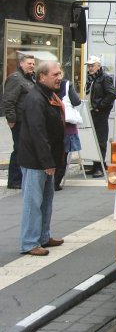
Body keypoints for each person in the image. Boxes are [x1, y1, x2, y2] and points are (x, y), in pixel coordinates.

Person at [18, 60, 65, 256]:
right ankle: (29, 242)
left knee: (46, 200)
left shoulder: (48, 95)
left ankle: (44, 236)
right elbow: (38, 133)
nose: (59, 77)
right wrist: (47, 162)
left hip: (46, 159)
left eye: (60, 73)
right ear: (42, 77)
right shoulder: (36, 98)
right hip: (36, 160)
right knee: (33, 202)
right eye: (55, 74)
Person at [3, 53, 36, 189]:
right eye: (29, 63)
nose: (32, 66)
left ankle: (21, 178)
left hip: (28, 120)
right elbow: (8, 101)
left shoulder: (29, 79)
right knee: (18, 149)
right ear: (21, 63)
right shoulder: (16, 78)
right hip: (19, 121)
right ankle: (14, 180)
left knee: (24, 149)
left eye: (33, 64)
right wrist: (11, 120)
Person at [84, 56, 116, 178]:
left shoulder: (105, 77)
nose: (90, 68)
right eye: (89, 66)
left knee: (100, 140)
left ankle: (100, 167)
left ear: (99, 65)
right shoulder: (91, 78)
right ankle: (96, 165)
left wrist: (100, 106)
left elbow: (112, 93)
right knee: (94, 139)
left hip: (99, 113)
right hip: (92, 111)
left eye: (92, 65)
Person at [55, 75, 82, 190]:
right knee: (63, 155)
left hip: (52, 124)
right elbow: (76, 101)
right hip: (66, 125)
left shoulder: (42, 85)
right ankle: (56, 182)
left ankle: (50, 181)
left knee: (54, 153)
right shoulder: (66, 84)